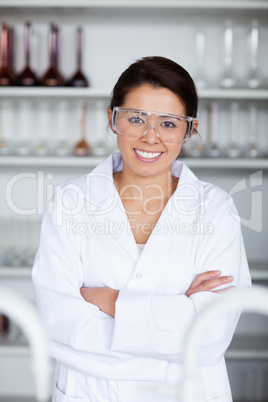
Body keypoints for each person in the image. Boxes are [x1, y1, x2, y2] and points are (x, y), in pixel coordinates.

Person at [32, 56, 251, 402]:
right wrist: (176, 319)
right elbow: (60, 323)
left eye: (168, 123)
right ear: (112, 120)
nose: (151, 137)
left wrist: (113, 302)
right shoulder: (70, 201)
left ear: (189, 130)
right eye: (135, 119)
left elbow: (211, 334)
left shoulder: (216, 208)